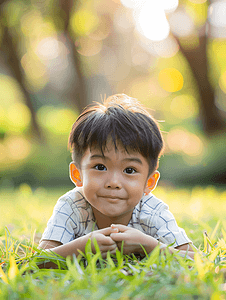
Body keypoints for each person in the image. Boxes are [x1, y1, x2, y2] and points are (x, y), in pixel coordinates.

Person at [39, 94, 194, 262]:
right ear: (77, 174)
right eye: (100, 167)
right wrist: (82, 246)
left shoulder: (153, 212)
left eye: (129, 170)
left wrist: (149, 245)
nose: (113, 183)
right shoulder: (72, 206)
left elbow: (194, 260)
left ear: (149, 183)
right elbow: (39, 260)